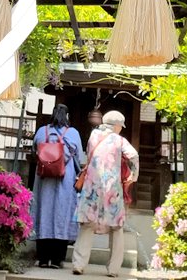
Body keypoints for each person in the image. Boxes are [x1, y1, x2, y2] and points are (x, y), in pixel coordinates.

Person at [73, 110, 139, 278]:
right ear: (116, 125)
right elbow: (134, 155)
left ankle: (79, 265)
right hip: (111, 188)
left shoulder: (93, 136)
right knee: (116, 228)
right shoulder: (119, 140)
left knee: (87, 225)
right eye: (120, 126)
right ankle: (113, 269)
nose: (121, 129)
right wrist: (134, 175)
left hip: (91, 187)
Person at [32, 104, 83, 268]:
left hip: (44, 179)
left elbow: (35, 151)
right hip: (65, 179)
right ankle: (57, 259)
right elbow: (79, 159)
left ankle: (42, 258)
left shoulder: (42, 131)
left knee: (43, 212)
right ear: (67, 116)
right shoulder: (73, 133)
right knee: (62, 214)